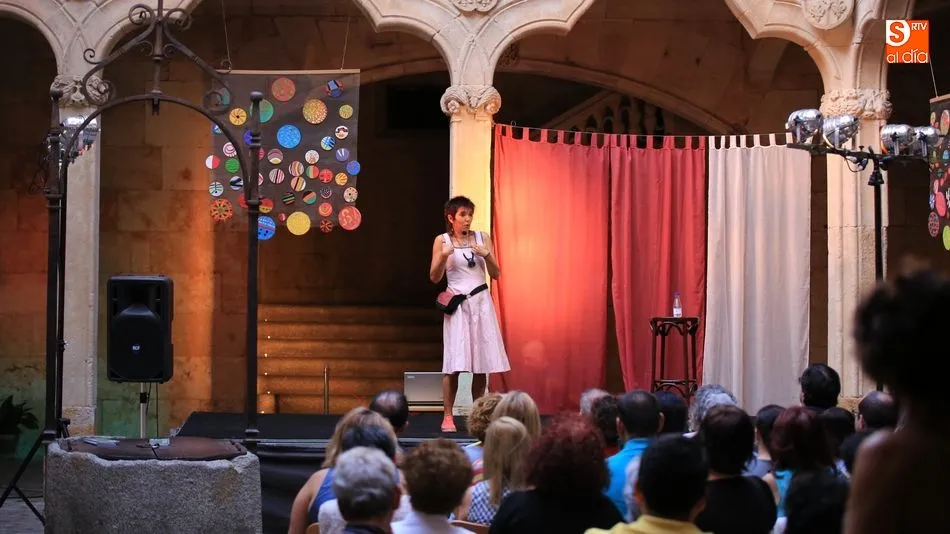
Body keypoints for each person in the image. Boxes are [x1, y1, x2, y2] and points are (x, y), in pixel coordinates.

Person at [429, 196, 510, 432]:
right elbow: (434, 277)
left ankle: (478, 416)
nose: (467, 219)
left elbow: (496, 274)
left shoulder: (482, 238)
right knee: (453, 363)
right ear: (451, 217)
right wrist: (443, 255)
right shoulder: (442, 240)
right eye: (463, 215)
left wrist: (487, 254)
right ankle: (448, 416)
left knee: (480, 362)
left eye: (470, 215)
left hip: (481, 302)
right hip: (458, 305)